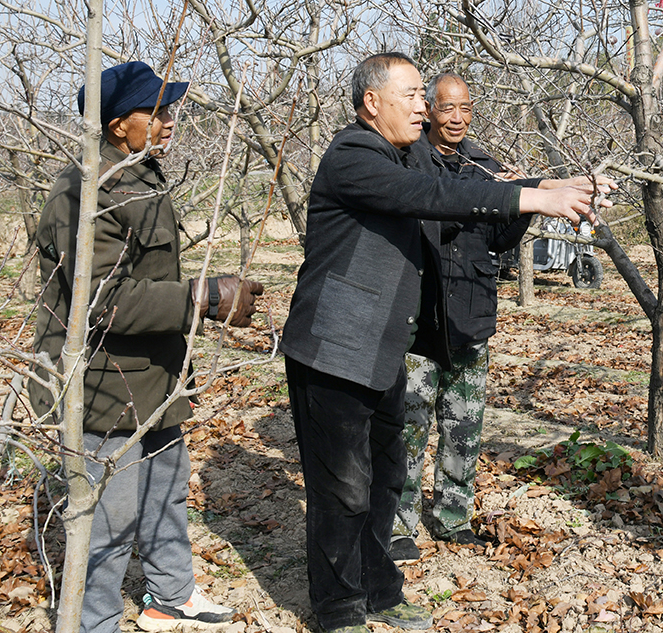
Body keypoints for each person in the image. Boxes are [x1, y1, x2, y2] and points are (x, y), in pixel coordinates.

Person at [279, 53, 607, 633]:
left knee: (384, 481)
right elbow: (429, 195)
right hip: (335, 350)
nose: (423, 107)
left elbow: (460, 185)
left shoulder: (400, 154)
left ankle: (380, 591)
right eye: (410, 96)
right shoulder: (353, 155)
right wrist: (535, 200)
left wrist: (552, 185)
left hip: (383, 349)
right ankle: (338, 610)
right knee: (343, 490)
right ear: (371, 102)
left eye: (422, 96)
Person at [30, 61, 264, 633]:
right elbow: (100, 302)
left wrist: (202, 298)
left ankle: (170, 596)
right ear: (117, 125)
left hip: (154, 372)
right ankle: (93, 622)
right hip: (102, 382)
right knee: (107, 517)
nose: (169, 122)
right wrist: (204, 296)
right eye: (156, 112)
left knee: (165, 490)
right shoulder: (84, 193)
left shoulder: (140, 175)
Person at [391, 72, 535, 559]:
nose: (457, 118)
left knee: (463, 428)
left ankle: (453, 518)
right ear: (429, 110)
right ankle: (399, 525)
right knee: (408, 428)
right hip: (420, 321)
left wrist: (520, 203)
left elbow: (498, 239)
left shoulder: (484, 166)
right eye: (447, 108)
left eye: (466, 108)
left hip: (471, 317)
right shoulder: (409, 160)